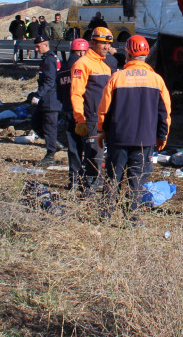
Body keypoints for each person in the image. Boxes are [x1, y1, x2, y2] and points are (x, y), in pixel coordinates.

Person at [96, 35, 170, 220]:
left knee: (113, 176)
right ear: (146, 56)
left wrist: (102, 131)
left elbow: (104, 109)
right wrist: (162, 136)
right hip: (145, 140)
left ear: (127, 54)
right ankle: (132, 218)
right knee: (136, 180)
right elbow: (165, 112)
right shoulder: (156, 80)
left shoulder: (117, 77)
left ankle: (106, 214)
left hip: (118, 138)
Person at [69, 26, 115, 193]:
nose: (106, 47)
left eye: (108, 44)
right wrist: (80, 120)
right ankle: (89, 194)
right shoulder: (82, 64)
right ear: (93, 43)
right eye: (103, 43)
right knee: (93, 159)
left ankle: (98, 189)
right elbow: (76, 93)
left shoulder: (105, 66)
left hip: (105, 121)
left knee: (103, 159)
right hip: (90, 120)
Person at [56, 38, 88, 185]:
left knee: (73, 148)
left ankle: (74, 180)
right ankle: (87, 181)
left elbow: (59, 94)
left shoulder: (62, 70)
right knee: (88, 148)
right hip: (82, 113)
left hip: (68, 112)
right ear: (82, 52)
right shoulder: (82, 68)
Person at [31, 36, 63, 167]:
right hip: (47, 99)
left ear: (45, 45)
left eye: (38, 46)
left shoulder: (49, 59)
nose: (36, 49)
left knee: (49, 127)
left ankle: (50, 154)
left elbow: (49, 81)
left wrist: (38, 95)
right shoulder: (48, 58)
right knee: (36, 122)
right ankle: (54, 144)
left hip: (51, 99)